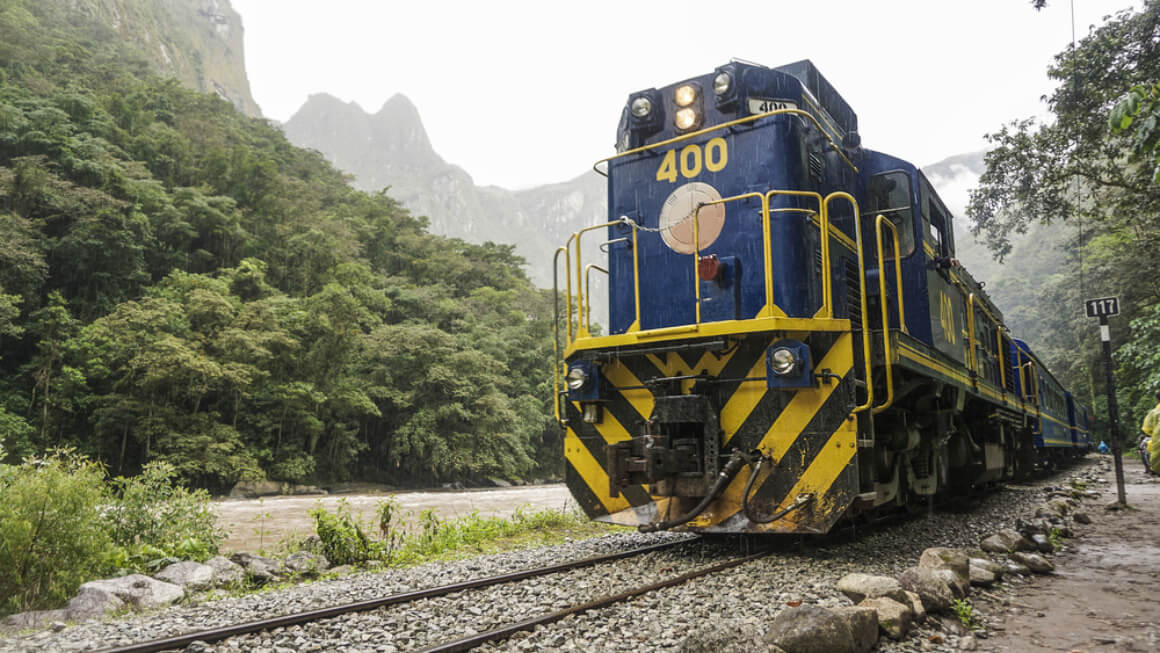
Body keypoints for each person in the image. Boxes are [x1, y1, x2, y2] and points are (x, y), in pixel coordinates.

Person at [1143, 390, 1160, 475]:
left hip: (1157, 442)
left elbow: (1147, 429)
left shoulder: (1154, 412)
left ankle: (1151, 469)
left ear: (1157, 399)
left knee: (1147, 447)